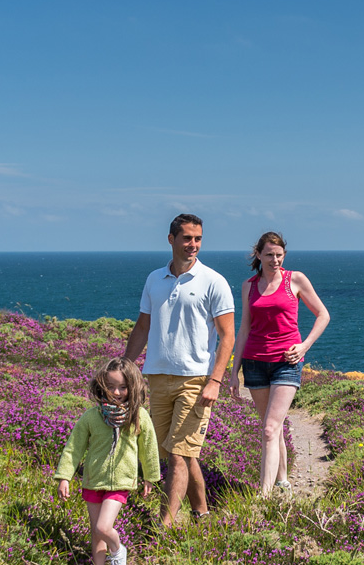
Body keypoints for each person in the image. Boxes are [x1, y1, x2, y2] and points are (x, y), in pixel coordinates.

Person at [122, 214, 236, 528]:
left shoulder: (213, 281)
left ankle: (165, 527)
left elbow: (228, 336)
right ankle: (202, 513)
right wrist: (124, 366)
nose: (193, 245)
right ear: (171, 239)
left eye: (198, 239)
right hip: (157, 377)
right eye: (187, 238)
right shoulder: (154, 279)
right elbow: (143, 326)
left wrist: (215, 380)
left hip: (196, 381)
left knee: (177, 454)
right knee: (178, 454)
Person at [228, 232, 331, 495]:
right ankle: (283, 481)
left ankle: (263, 496)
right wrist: (233, 370)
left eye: (279, 255)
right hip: (254, 362)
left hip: (287, 362)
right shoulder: (248, 286)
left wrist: (304, 345)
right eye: (269, 255)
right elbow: (244, 329)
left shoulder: (294, 279)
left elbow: (323, 315)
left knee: (270, 428)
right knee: (271, 428)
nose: (275, 260)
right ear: (258, 255)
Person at [53, 358, 161, 565]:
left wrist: (150, 478)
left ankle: (117, 548)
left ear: (132, 388)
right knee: (96, 531)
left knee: (104, 527)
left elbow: (149, 448)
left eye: (123, 387)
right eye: (111, 386)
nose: (116, 392)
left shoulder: (139, 416)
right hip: (93, 480)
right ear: (102, 386)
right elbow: (74, 447)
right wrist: (64, 477)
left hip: (121, 483)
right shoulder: (92, 416)